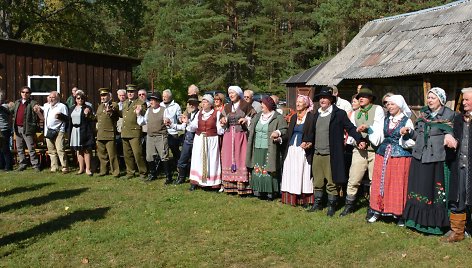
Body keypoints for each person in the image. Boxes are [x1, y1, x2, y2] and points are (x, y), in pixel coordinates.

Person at [401, 87, 456, 235]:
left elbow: (452, 133)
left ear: (441, 100)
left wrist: (449, 137)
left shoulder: (449, 115)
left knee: (432, 192)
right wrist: (409, 132)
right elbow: (418, 136)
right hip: (419, 157)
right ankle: (416, 221)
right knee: (418, 189)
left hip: (436, 160)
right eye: (429, 98)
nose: (429, 100)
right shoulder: (423, 115)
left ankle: (434, 224)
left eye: (433, 98)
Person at [308, 87, 364, 216]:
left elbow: (350, 128)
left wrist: (359, 139)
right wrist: (308, 141)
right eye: (320, 98)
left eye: (325, 97)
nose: (322, 100)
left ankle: (331, 205)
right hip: (317, 153)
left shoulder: (339, 114)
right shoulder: (317, 114)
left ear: (331, 100)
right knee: (317, 181)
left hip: (331, 154)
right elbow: (312, 132)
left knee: (332, 182)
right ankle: (317, 203)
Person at [367, 95, 415, 224]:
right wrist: (368, 130)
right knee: (380, 183)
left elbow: (411, 141)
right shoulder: (386, 120)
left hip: (400, 156)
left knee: (397, 184)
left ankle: (399, 214)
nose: (389, 107)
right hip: (383, 154)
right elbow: (379, 137)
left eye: (392, 104)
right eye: (388, 105)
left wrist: (405, 136)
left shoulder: (407, 121)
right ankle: (377, 211)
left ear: (399, 105)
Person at [340, 87, 385, 217]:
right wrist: (358, 141)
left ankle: (373, 207)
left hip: (374, 150)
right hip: (359, 150)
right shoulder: (355, 113)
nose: (360, 98)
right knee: (354, 178)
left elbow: (378, 128)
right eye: (359, 96)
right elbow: (352, 130)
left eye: (364, 96)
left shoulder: (377, 110)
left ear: (370, 98)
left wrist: (367, 129)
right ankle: (349, 205)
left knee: (373, 180)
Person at [246, 96, 287, 200]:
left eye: (263, 104)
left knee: (269, 169)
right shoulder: (258, 116)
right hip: (257, 147)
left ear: (268, 105)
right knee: (257, 169)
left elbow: (284, 129)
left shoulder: (278, 117)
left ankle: (270, 192)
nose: (261, 106)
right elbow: (251, 127)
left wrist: (277, 132)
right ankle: (258, 190)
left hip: (269, 148)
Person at [446, 87, 472, 242]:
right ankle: (457, 232)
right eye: (464, 100)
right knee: (458, 198)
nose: (464, 103)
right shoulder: (458, 119)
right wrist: (449, 137)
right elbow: (454, 136)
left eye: (467, 100)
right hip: (460, 165)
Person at [220, 86, 256, 195]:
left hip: (241, 135)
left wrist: (246, 120)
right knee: (228, 158)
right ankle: (229, 186)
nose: (230, 95)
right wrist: (223, 120)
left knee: (241, 157)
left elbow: (254, 117)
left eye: (233, 93)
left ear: (238, 94)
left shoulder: (245, 105)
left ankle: (242, 186)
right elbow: (221, 119)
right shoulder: (227, 106)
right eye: (229, 93)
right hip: (229, 135)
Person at [280, 95, 315, 206]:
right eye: (297, 102)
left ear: (306, 104)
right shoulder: (294, 117)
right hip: (291, 149)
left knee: (302, 172)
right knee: (291, 172)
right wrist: (280, 138)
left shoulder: (311, 117)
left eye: (300, 102)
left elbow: (313, 134)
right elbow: (289, 134)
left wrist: (308, 142)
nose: (298, 104)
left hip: (302, 150)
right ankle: (290, 198)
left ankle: (303, 199)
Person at [187, 94, 225, 190]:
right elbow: (193, 127)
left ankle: (211, 182)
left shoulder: (216, 114)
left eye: (205, 102)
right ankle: (196, 181)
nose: (203, 104)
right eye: (202, 102)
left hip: (211, 140)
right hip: (199, 139)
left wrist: (222, 125)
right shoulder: (199, 113)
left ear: (210, 104)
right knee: (197, 160)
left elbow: (220, 131)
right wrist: (187, 122)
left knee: (211, 160)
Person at [137, 92, 173, 183]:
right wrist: (138, 114)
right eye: (150, 100)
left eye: (153, 100)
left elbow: (169, 121)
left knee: (164, 156)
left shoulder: (164, 110)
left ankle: (168, 177)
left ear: (158, 101)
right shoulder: (149, 110)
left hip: (161, 136)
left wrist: (167, 121)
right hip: (150, 136)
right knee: (149, 156)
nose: (151, 102)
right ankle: (153, 174)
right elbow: (142, 122)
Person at [170, 95, 200, 184]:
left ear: (197, 104)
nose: (191, 105)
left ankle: (195, 179)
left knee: (195, 161)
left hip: (195, 140)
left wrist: (188, 122)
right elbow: (183, 127)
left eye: (193, 103)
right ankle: (181, 178)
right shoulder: (189, 114)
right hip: (187, 140)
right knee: (182, 160)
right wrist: (171, 124)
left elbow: (195, 126)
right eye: (190, 104)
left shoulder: (199, 114)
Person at [121, 84, 148, 179]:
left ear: (136, 93)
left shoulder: (140, 102)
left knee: (137, 154)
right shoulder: (125, 103)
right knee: (127, 154)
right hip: (125, 131)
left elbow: (145, 113)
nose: (130, 93)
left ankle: (143, 172)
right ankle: (130, 172)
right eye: (128, 92)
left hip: (135, 132)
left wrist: (140, 111)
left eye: (132, 92)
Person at [12, 86, 42, 171]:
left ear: (29, 94)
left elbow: (35, 106)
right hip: (17, 128)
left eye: (27, 92)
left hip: (27, 128)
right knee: (19, 148)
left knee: (30, 148)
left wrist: (36, 108)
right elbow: (11, 111)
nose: (24, 94)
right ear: (20, 93)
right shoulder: (17, 102)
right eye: (23, 92)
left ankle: (35, 165)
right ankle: (22, 164)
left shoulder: (32, 102)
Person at [38, 91, 69, 173]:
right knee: (51, 151)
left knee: (60, 150)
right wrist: (37, 109)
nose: (51, 99)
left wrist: (59, 116)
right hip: (49, 131)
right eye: (50, 97)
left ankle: (64, 167)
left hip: (59, 131)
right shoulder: (47, 106)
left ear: (57, 98)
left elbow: (67, 119)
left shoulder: (62, 106)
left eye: (53, 97)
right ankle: (54, 167)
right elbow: (42, 113)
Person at [68, 90, 96, 176]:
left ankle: (88, 169)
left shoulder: (87, 107)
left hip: (84, 131)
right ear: (75, 99)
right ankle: (81, 169)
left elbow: (92, 119)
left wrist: (87, 114)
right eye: (78, 98)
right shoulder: (72, 108)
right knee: (78, 151)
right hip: (75, 131)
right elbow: (69, 120)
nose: (80, 100)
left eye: (82, 98)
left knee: (86, 150)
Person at [96, 88, 120, 177]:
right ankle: (103, 171)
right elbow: (97, 118)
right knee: (102, 155)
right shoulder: (100, 106)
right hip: (100, 134)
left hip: (109, 134)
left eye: (105, 95)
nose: (103, 97)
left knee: (112, 155)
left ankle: (115, 172)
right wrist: (88, 114)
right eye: (101, 95)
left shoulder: (113, 105)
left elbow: (114, 113)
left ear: (109, 96)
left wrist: (110, 111)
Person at [161, 89, 182, 166]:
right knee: (163, 151)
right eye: (163, 96)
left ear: (170, 97)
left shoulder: (176, 106)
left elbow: (179, 118)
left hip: (173, 132)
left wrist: (181, 119)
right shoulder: (160, 105)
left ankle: (178, 165)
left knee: (175, 150)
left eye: (166, 97)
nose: (164, 98)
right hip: (163, 131)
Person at [0, 90, 13, 171]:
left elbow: (9, 111)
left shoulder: (5, 106)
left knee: (5, 149)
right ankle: (1, 165)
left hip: (4, 129)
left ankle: (8, 166)